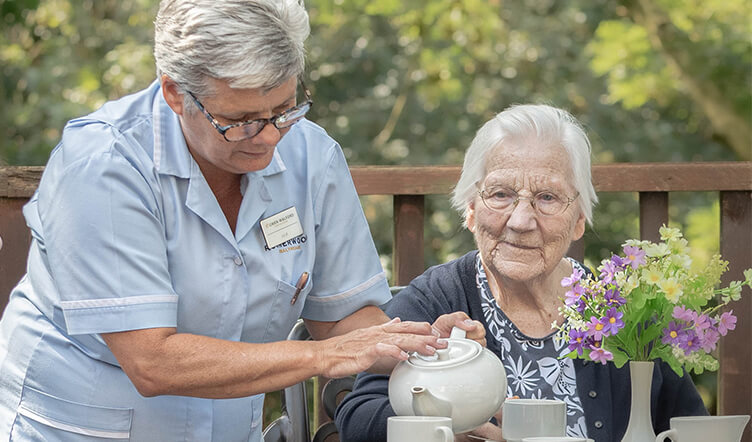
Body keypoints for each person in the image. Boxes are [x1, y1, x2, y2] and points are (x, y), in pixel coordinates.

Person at [0, 1, 488, 440]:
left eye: (283, 109)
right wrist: (321, 359)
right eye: (241, 120)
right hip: (82, 426)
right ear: (175, 93)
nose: (269, 136)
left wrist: (413, 344)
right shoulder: (103, 164)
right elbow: (151, 361)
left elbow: (340, 317)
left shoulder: (312, 155)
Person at [335, 104, 708, 441]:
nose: (521, 220)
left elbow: (687, 421)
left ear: (579, 220)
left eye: (547, 198)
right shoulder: (437, 300)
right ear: (469, 209)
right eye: (500, 194)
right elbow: (358, 417)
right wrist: (453, 430)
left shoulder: (619, 313)